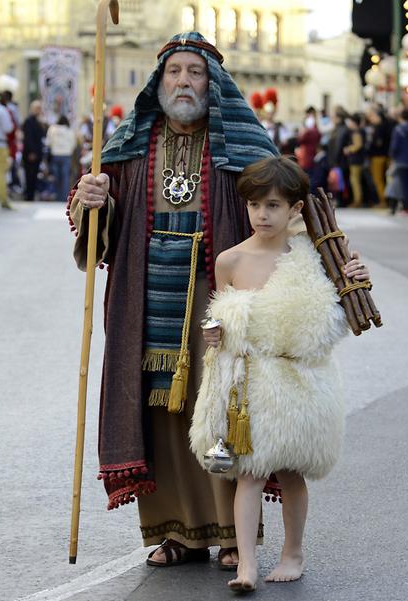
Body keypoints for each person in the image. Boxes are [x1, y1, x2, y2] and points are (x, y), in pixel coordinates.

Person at [69, 31, 369, 570]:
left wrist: (337, 263)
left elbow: (287, 210)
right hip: (144, 295)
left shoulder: (244, 146)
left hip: (219, 292)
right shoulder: (127, 147)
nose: (183, 81)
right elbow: (98, 225)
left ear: (214, 83)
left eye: (195, 72)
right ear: (159, 81)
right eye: (174, 72)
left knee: (225, 405)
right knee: (160, 407)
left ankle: (235, 537)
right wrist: (93, 202)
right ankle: (176, 531)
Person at [191, 156, 354, 591]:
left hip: (299, 383)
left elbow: (333, 318)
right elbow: (223, 320)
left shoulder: (314, 256)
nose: (263, 215)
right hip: (250, 387)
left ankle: (292, 553)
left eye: (274, 205)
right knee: (249, 473)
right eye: (256, 205)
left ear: (296, 209)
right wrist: (217, 335)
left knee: (292, 474)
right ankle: (246, 565)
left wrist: (355, 279)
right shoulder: (229, 260)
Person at [389, 107, 408, 214]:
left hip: (400, 159)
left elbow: (395, 146)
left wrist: (392, 156)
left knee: (402, 185)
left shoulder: (398, 129)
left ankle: (406, 207)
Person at [45, 115, 76, 208]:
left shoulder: (52, 129)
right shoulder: (70, 130)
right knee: (65, 176)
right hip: (66, 155)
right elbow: (73, 144)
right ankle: (64, 197)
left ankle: (57, 196)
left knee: (56, 176)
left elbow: (48, 142)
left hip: (55, 155)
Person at [21, 100, 46, 200]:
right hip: (30, 153)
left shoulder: (38, 121)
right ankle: (29, 195)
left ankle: (31, 195)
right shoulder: (29, 121)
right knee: (29, 175)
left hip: (37, 153)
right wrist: (31, 152)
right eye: (37, 108)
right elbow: (28, 138)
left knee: (34, 175)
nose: (39, 110)